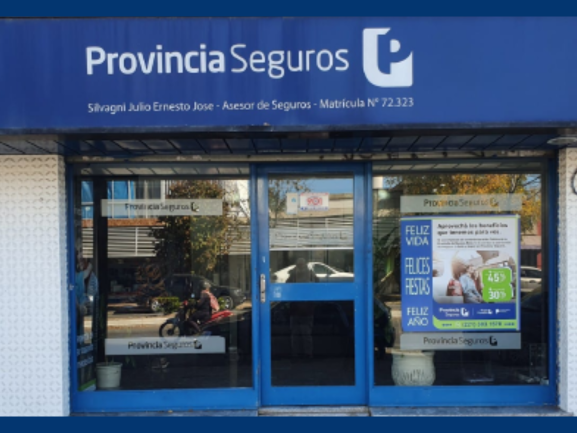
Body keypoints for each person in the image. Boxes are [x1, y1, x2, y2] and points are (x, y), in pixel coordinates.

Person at [286, 258, 318, 360]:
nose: (300, 267)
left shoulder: (308, 275)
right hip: (299, 309)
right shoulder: (295, 275)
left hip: (304, 309)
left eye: (301, 265)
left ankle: (304, 354)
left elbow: (317, 285)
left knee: (303, 334)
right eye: (298, 265)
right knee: (299, 334)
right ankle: (301, 354)